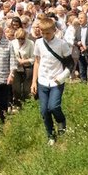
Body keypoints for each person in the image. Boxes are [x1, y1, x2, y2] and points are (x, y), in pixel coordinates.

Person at [32, 17, 72, 145]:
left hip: (57, 81)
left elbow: (71, 64)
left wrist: (62, 76)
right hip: (43, 80)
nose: (45, 35)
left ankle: (61, 121)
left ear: (54, 30)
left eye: (47, 33)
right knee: (44, 110)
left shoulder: (62, 44)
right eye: (42, 33)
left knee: (54, 106)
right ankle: (51, 135)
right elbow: (37, 62)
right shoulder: (38, 43)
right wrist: (34, 81)